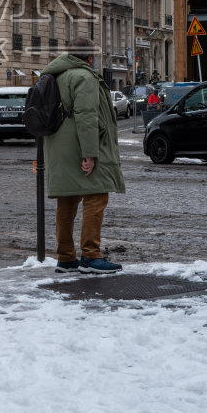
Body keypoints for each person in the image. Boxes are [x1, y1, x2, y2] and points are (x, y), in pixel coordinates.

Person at [42, 38, 125, 274]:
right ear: (90, 58)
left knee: (67, 201)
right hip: (80, 145)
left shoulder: (57, 75)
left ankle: (66, 257)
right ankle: (91, 255)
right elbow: (87, 116)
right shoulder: (85, 77)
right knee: (96, 197)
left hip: (59, 144)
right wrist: (90, 154)